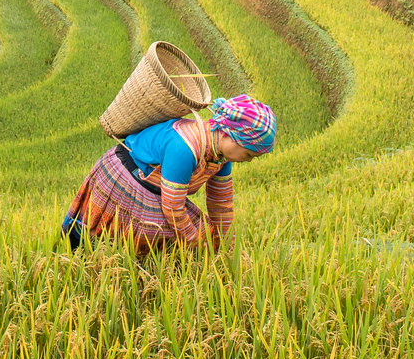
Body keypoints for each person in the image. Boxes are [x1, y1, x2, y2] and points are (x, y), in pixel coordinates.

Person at [61, 95, 276, 253]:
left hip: (157, 189)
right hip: (125, 181)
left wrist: (228, 244)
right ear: (231, 135)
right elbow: (173, 208)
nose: (248, 160)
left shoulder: (221, 157)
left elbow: (222, 205)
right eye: (249, 154)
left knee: (202, 237)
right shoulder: (184, 148)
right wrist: (195, 243)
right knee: (107, 245)